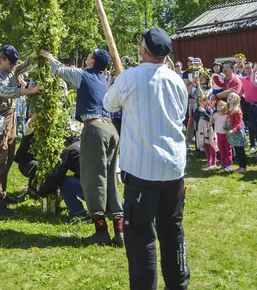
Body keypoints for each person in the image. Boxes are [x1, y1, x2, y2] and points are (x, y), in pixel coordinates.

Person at [103, 26, 190, 290]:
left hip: (142, 173)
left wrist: (114, 84)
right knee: (172, 231)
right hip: (173, 169)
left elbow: (108, 104)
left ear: (143, 50)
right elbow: (182, 114)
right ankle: (179, 285)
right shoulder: (176, 80)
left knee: (141, 238)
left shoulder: (129, 77)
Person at [41, 47, 124, 247]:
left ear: (93, 61)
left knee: (94, 178)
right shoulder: (104, 81)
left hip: (95, 129)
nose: (87, 56)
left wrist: (49, 57)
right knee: (111, 177)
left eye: (90, 55)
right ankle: (120, 231)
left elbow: (61, 70)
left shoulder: (84, 75)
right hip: (111, 129)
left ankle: (101, 231)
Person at [0, 45, 39, 216]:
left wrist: (35, 54)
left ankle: (2, 194)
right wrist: (27, 91)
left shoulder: (12, 69)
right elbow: (4, 91)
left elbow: (23, 66)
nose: (13, 66)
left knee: (9, 156)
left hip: (11, 115)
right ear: (2, 59)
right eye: (10, 63)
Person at [226, 91, 248, 173]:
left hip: (237, 133)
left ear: (236, 100)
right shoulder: (229, 110)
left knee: (240, 150)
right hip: (233, 133)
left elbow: (239, 123)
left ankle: (243, 167)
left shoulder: (237, 110)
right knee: (237, 149)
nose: (230, 98)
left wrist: (233, 130)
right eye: (229, 96)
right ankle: (240, 166)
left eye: (232, 97)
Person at [194, 93, 217, 169]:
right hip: (201, 129)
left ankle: (213, 162)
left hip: (208, 128)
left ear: (206, 101)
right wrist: (198, 111)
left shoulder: (209, 109)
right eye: (200, 101)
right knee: (205, 146)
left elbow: (210, 119)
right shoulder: (197, 110)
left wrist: (203, 111)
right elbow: (195, 118)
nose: (202, 103)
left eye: (203, 101)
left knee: (211, 145)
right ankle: (208, 161)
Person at [240, 62, 257, 153]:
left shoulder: (256, 78)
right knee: (251, 126)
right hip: (249, 106)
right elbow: (241, 91)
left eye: (249, 68)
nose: (248, 70)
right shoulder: (243, 79)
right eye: (246, 68)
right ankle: (253, 145)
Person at [212, 100, 232, 171]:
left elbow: (230, 125)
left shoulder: (227, 116)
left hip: (226, 135)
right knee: (221, 150)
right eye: (218, 105)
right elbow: (211, 122)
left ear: (225, 107)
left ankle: (228, 164)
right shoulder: (215, 115)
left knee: (228, 149)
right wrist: (211, 113)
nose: (219, 106)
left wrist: (226, 126)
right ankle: (223, 163)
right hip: (219, 134)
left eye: (221, 105)